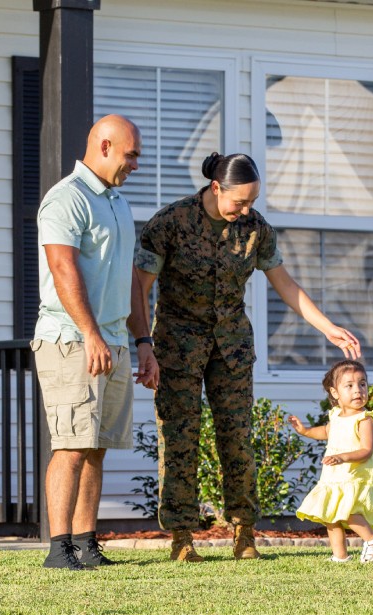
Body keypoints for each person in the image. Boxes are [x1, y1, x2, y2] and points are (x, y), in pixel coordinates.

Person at [131, 152, 360, 563]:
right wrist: (143, 342)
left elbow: (285, 284)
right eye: (240, 201)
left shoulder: (256, 229)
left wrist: (326, 326)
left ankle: (244, 532)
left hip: (232, 347)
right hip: (177, 347)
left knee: (237, 438)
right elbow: (139, 286)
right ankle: (182, 537)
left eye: (252, 201)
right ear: (216, 188)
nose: (246, 209)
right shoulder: (171, 223)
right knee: (179, 439)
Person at [32, 114, 158, 570]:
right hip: (71, 340)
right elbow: (63, 270)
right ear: (104, 146)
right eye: (132, 155)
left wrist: (142, 341)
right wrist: (90, 333)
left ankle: (86, 543)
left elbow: (129, 280)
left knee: (96, 444)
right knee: (70, 443)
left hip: (114, 342)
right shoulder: (66, 199)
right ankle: (58, 548)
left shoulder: (118, 203)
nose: (136, 164)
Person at [288, 360, 373, 563]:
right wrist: (304, 431)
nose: (357, 390)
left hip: (354, 475)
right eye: (349, 385)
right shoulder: (336, 416)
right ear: (335, 392)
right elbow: (325, 431)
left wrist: (342, 457)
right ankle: (339, 556)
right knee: (330, 516)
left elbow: (366, 450)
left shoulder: (365, 419)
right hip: (334, 478)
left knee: (346, 511)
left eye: (362, 384)